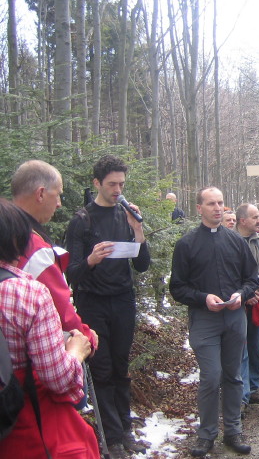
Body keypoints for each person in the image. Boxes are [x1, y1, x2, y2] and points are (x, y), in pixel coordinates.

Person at [64, 155, 151, 459]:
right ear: (97, 183)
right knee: (101, 370)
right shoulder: (82, 220)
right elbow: (70, 273)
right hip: (93, 302)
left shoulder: (126, 214)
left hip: (122, 300)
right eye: (112, 184)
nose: (118, 190)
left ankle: (125, 430)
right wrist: (91, 260)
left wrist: (137, 231)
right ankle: (111, 438)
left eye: (121, 184)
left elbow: (142, 265)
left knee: (121, 366)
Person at [0, 199, 99, 459]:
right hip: (25, 427)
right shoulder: (27, 293)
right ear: (16, 240)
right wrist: (77, 351)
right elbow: (56, 377)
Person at [169, 187, 259, 456]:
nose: (218, 208)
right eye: (211, 204)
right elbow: (177, 287)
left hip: (234, 317)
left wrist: (241, 294)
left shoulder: (236, 241)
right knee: (211, 376)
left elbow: (252, 279)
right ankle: (206, 434)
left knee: (232, 375)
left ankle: (233, 431)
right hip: (204, 319)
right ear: (199, 208)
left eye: (220, 203)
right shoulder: (187, 244)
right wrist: (202, 297)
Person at [11, 160, 97, 351]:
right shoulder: (33, 247)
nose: (59, 204)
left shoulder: (9, 230)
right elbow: (61, 310)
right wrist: (87, 337)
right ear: (41, 194)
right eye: (57, 194)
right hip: (27, 355)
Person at [235, 203, 259, 409]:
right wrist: (243, 295)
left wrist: (258, 290)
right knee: (239, 349)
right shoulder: (229, 239)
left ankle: (253, 387)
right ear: (242, 220)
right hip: (236, 303)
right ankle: (241, 395)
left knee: (254, 346)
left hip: (256, 301)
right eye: (255, 217)